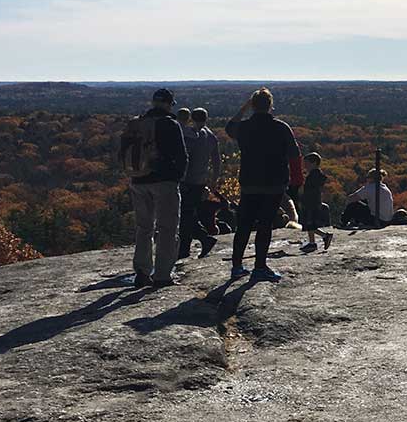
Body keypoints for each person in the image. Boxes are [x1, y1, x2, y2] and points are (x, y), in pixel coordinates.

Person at [225, 87, 303, 282]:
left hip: (249, 183)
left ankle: (237, 266)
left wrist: (244, 108)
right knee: (265, 225)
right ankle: (259, 267)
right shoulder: (281, 127)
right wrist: (295, 183)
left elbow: (229, 127)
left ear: (253, 106)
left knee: (243, 225)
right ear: (270, 106)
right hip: (274, 184)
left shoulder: (244, 127)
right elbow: (295, 156)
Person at [119, 88, 188, 288]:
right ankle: (162, 275)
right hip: (163, 182)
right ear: (168, 104)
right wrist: (177, 178)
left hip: (138, 180)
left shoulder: (137, 123)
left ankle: (141, 272)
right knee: (167, 228)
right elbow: (181, 156)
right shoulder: (169, 124)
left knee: (144, 227)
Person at [178, 107, 221, 260]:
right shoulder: (211, 136)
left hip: (188, 180)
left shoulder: (191, 135)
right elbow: (216, 161)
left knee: (185, 215)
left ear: (192, 118)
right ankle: (185, 248)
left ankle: (203, 239)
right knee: (189, 214)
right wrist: (214, 180)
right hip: (201, 181)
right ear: (206, 118)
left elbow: (184, 158)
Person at [299, 152, 334, 253]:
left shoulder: (313, 176)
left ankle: (324, 236)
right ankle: (312, 243)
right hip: (313, 202)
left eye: (307, 163)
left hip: (311, 203)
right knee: (310, 224)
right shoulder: (316, 175)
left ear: (314, 163)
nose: (305, 165)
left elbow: (310, 191)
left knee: (310, 224)